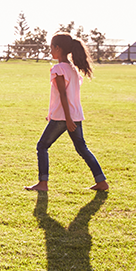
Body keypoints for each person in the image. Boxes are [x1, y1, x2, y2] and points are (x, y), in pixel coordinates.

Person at [25, 33, 109, 192]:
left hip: (64, 117)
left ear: (58, 48)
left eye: (51, 47)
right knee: (82, 148)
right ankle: (101, 182)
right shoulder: (73, 70)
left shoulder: (58, 69)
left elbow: (63, 95)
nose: (50, 51)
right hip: (74, 115)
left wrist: (67, 119)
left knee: (42, 146)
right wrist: (55, 114)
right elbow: (66, 95)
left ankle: (43, 183)